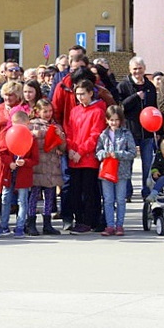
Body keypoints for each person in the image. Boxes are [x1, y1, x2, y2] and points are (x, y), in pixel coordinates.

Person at [66, 79, 107, 234]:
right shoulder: (75, 110)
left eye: (83, 94)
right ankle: (79, 219)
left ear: (90, 93)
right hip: (74, 157)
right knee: (75, 191)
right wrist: (70, 149)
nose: (80, 97)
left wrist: (80, 152)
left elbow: (95, 136)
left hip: (88, 158)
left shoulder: (97, 111)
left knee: (89, 191)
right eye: (78, 94)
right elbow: (69, 131)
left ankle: (89, 221)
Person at [0, 111, 38, 238]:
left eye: (21, 125)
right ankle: (3, 226)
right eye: (15, 125)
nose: (17, 128)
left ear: (27, 124)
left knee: (22, 200)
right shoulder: (7, 134)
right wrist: (9, 162)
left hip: (23, 174)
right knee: (5, 199)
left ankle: (20, 227)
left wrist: (25, 162)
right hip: (9, 172)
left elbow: (35, 159)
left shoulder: (32, 138)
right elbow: (1, 152)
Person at [117, 56, 157, 199]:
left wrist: (158, 131)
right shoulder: (123, 85)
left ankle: (146, 191)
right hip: (130, 130)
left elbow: (155, 108)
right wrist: (135, 97)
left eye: (140, 68)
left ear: (144, 69)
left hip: (147, 132)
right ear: (130, 70)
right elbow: (120, 107)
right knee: (127, 164)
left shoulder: (150, 86)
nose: (137, 72)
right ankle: (127, 192)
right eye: (134, 69)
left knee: (148, 165)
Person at [96, 105, 136, 236]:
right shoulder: (103, 134)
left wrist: (118, 154)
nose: (114, 123)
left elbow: (132, 152)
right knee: (108, 199)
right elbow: (98, 151)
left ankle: (119, 225)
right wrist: (104, 154)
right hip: (107, 171)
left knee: (120, 199)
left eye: (116, 120)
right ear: (107, 120)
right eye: (111, 120)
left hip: (121, 171)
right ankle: (109, 225)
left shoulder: (126, 133)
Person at [26, 99, 65, 235]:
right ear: (37, 112)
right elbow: (25, 143)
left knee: (50, 195)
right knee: (34, 195)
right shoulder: (32, 126)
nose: (48, 114)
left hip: (51, 166)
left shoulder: (55, 127)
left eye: (50, 111)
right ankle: (30, 222)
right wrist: (33, 136)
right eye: (45, 111)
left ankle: (47, 223)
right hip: (37, 166)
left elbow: (62, 147)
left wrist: (61, 138)